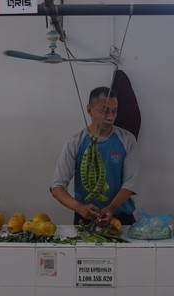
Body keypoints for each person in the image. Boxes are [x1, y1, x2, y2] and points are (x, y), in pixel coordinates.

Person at [51, 87, 138, 225]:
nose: (111, 117)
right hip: (85, 218)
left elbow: (130, 183)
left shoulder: (127, 139)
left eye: (114, 111)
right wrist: (79, 208)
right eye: (104, 111)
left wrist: (111, 208)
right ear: (89, 110)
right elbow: (57, 187)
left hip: (121, 217)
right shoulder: (75, 142)